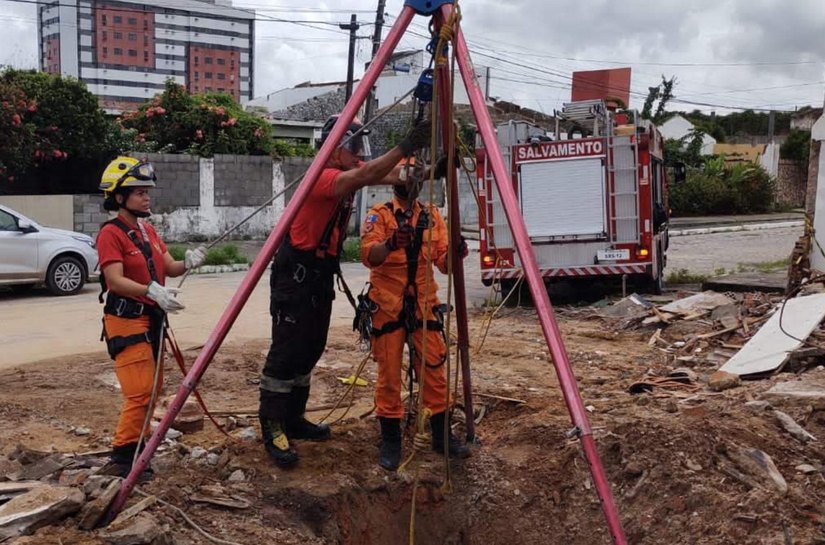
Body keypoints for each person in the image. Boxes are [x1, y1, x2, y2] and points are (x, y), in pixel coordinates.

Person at [258, 115, 433, 467]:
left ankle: (294, 418)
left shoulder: (348, 171)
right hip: (296, 274)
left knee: (312, 346)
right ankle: (273, 424)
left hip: (320, 274)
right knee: (287, 351)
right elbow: (367, 175)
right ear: (334, 148)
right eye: (353, 148)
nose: (359, 155)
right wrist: (405, 145)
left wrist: (427, 168)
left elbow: (393, 175)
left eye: (361, 149)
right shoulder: (323, 176)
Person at [96, 156, 207, 478]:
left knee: (154, 390)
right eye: (139, 192)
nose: (147, 197)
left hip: (152, 319)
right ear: (119, 197)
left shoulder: (147, 231)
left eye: (147, 192)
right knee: (140, 390)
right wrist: (151, 290)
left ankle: (140, 446)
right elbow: (114, 280)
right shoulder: (111, 234)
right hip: (126, 320)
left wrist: (188, 262)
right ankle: (121, 458)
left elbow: (169, 267)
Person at [360, 162, 471, 471]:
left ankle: (441, 435)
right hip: (388, 305)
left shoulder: (431, 215)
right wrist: (391, 243)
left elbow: (444, 264)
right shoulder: (379, 215)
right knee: (390, 374)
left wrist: (456, 253)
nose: (409, 184)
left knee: (434, 369)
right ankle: (392, 441)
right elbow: (369, 255)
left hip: (424, 304)